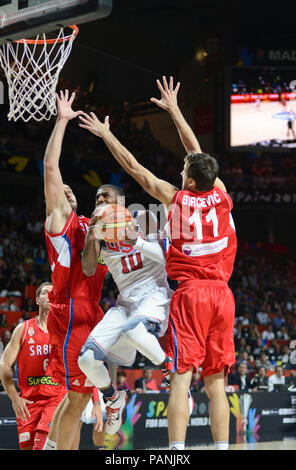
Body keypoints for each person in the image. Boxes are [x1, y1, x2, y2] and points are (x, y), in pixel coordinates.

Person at [78, 75, 237, 451]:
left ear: (189, 181)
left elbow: (134, 168)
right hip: (223, 296)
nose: (180, 174)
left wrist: (106, 135)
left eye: (184, 173)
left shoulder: (175, 198)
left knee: (180, 378)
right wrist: (177, 112)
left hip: (192, 294)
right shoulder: (221, 193)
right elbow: (196, 154)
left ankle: (177, 452)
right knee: (217, 383)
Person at [42, 90, 108, 450]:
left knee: (78, 399)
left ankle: (52, 448)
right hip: (71, 315)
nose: (66, 192)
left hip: (92, 317)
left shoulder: (90, 224)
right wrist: (63, 120)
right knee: (78, 399)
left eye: (70, 191)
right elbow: (52, 169)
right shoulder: (60, 224)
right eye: (60, 192)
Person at [78, 184, 173, 433]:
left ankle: (170, 372)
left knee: (135, 332)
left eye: (105, 196)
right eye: (97, 197)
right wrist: (91, 236)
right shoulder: (98, 233)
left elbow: (168, 260)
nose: (99, 200)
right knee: (86, 360)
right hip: (125, 302)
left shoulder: (143, 218)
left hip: (154, 293)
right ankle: (113, 398)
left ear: (120, 200)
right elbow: (88, 270)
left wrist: (137, 241)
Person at [0, 282, 67, 450]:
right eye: (45, 293)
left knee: (41, 444)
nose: (50, 296)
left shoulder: (65, 331)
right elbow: (4, 365)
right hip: (28, 400)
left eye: (53, 294)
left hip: (55, 398)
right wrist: (15, 398)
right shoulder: (23, 329)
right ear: (37, 300)